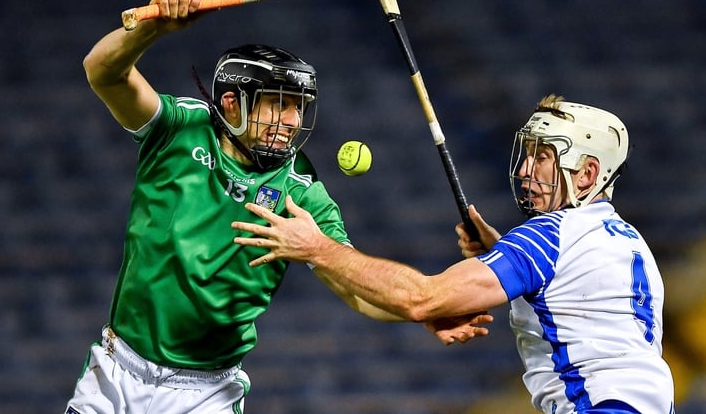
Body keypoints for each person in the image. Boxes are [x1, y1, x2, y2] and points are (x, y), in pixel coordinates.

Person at [67, 0, 489, 414]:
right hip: (116, 371)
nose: (291, 121)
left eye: (298, 107)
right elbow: (102, 71)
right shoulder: (178, 129)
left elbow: (356, 291)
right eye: (277, 105)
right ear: (232, 103)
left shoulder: (301, 192)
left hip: (204, 395)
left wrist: (419, 310)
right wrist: (153, 27)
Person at [232, 94, 676, 414]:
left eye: (543, 157)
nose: (525, 170)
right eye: (527, 154)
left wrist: (318, 248)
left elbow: (421, 299)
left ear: (587, 174)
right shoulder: (625, 239)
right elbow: (571, 300)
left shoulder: (549, 236)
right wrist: (502, 253)